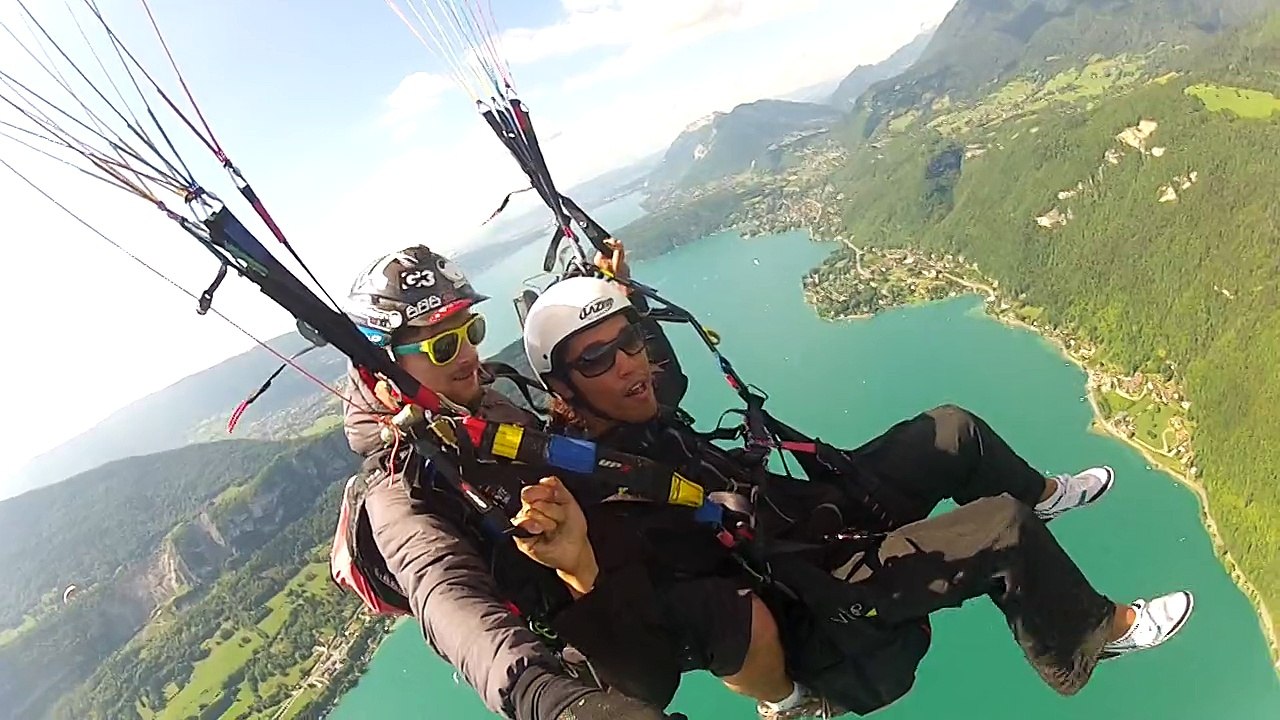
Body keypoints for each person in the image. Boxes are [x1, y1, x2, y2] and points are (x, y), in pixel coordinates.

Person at [515, 275, 1197, 719]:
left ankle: (1043, 493)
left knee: (951, 431)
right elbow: (645, 665)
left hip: (809, 515)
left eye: (629, 341)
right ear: (563, 388)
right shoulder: (587, 494)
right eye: (598, 359)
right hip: (814, 591)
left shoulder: (637, 408)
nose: (631, 364)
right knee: (1001, 530)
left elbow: (666, 381)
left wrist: (615, 283)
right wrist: (576, 564)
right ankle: (1092, 636)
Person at [338, 246, 683, 720]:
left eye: (470, 331)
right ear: (380, 373)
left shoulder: (481, 409)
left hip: (601, 574)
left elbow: (574, 443)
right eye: (442, 345)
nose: (468, 355)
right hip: (575, 649)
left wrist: (612, 301)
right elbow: (448, 600)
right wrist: (542, 697)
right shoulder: (399, 495)